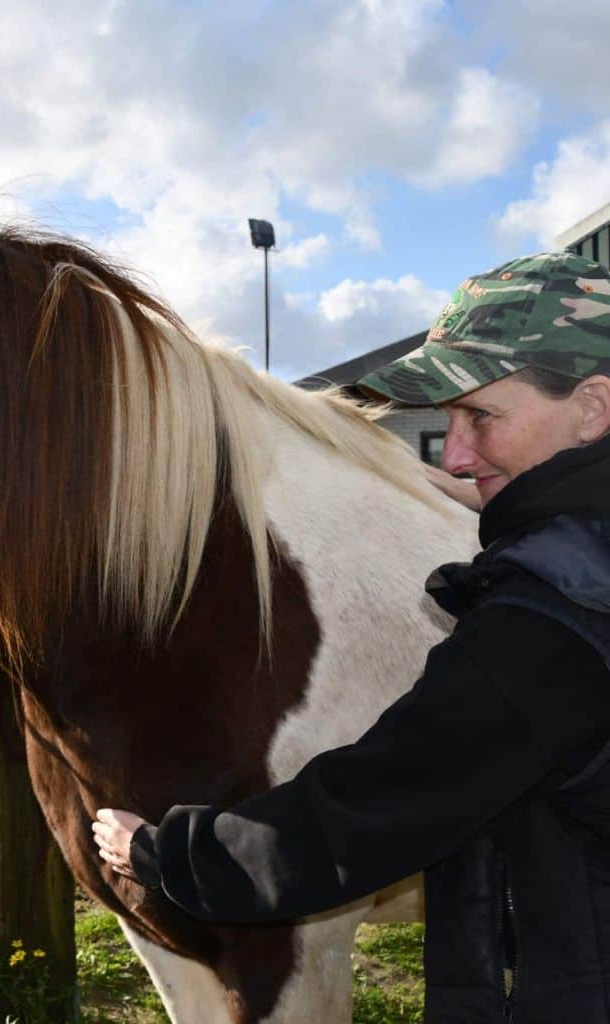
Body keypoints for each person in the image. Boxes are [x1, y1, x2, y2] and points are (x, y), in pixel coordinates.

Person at [92, 252, 610, 1022]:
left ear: (593, 407)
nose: (457, 452)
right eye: (449, 421)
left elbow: (366, 808)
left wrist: (165, 854)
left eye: (481, 417)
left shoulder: (551, 623)